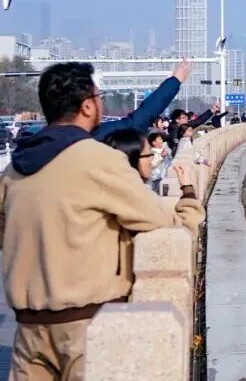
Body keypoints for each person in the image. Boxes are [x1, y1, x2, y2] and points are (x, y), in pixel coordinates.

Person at [0, 62, 204, 381]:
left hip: (28, 329)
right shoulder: (98, 160)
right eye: (99, 98)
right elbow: (161, 221)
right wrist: (189, 200)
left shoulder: (14, 168)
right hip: (86, 328)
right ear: (87, 106)